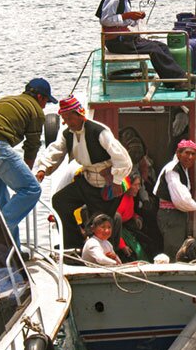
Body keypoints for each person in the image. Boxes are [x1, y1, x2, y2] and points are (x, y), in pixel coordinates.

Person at [35, 95, 132, 249]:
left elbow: (122, 158)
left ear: (80, 114)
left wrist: (116, 181)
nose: (67, 122)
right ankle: (72, 244)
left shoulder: (99, 131)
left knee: (102, 221)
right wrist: (42, 168)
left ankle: (109, 254)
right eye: (64, 118)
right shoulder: (68, 133)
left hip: (105, 184)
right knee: (60, 201)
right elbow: (56, 150)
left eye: (69, 118)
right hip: (86, 181)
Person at [0, 78, 57, 248]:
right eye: (46, 101)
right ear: (40, 97)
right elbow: (32, 146)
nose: (45, 106)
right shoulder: (35, 111)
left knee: (1, 199)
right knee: (31, 189)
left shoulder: (8, 99)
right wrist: (27, 172)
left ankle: (12, 251)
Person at [96, 0, 196, 87]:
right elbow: (105, 20)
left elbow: (124, 20)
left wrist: (133, 18)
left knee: (161, 46)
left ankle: (175, 80)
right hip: (117, 42)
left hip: (126, 38)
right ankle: (180, 80)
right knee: (154, 50)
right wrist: (126, 16)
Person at [153, 139, 196, 260]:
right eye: (187, 153)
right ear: (178, 153)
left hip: (176, 215)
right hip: (171, 215)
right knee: (174, 252)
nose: (190, 157)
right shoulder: (172, 170)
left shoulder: (181, 168)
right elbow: (181, 200)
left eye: (193, 154)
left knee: (179, 249)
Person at [116, 171, 161, 260]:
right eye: (135, 185)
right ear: (128, 185)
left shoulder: (131, 197)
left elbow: (129, 211)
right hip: (119, 232)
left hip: (128, 229)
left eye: (139, 185)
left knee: (149, 243)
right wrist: (122, 245)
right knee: (136, 253)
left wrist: (135, 217)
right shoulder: (119, 201)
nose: (138, 188)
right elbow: (114, 225)